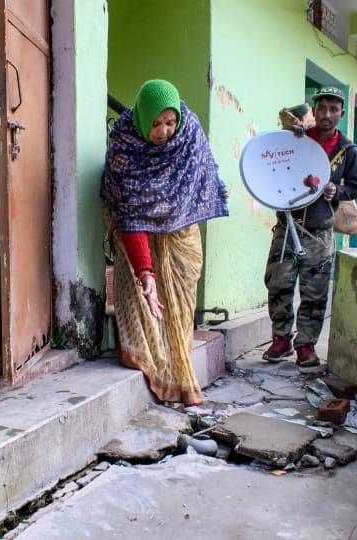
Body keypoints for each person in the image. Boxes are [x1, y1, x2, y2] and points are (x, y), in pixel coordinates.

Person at [100, 79, 229, 406]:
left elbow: (200, 186)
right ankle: (154, 366)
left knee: (180, 311)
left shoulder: (190, 137)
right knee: (145, 313)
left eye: (170, 122)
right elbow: (130, 216)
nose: (164, 131)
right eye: (155, 123)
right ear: (142, 119)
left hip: (182, 238)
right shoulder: (124, 148)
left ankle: (180, 370)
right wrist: (146, 274)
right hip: (139, 243)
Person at [263, 86, 357, 368]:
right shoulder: (298, 140)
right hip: (287, 229)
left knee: (315, 292)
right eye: (322, 108)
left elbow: (355, 187)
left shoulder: (348, 150)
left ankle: (305, 345)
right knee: (278, 285)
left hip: (319, 234)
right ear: (314, 111)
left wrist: (337, 191)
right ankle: (280, 339)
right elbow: (274, 166)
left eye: (333, 109)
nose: (327, 115)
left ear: (341, 114)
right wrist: (290, 138)